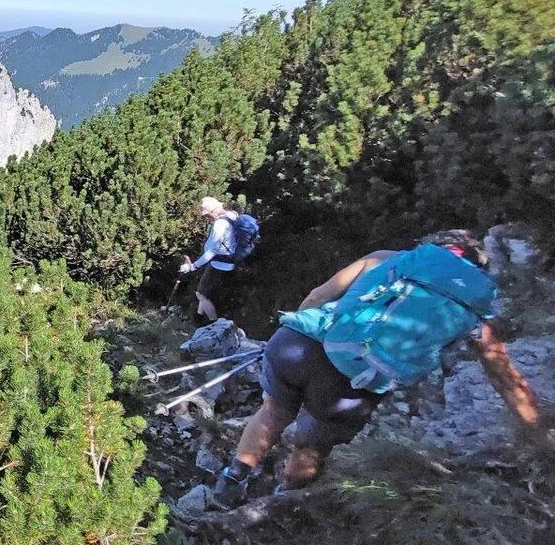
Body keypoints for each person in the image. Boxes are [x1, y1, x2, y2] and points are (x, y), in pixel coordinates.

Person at [211, 229, 553, 508]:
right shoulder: (474, 305)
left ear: (431, 249)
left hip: (296, 343)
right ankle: (277, 505)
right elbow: (503, 375)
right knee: (312, 446)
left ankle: (232, 481)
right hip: (351, 379)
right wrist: (540, 433)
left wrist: (298, 327)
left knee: (273, 410)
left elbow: (318, 296)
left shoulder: (389, 259)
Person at [180, 196, 238, 324]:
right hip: (230, 263)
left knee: (201, 294)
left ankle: (214, 325)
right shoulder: (233, 215)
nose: (207, 218)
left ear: (213, 211)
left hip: (218, 265)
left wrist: (193, 266)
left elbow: (211, 251)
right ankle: (199, 319)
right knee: (205, 294)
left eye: (207, 215)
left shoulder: (220, 224)